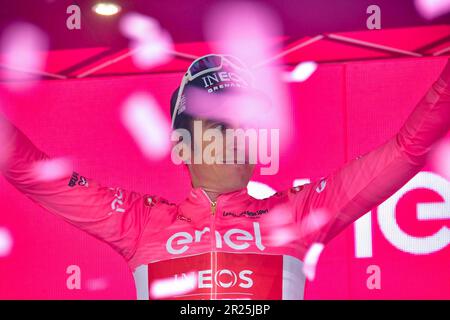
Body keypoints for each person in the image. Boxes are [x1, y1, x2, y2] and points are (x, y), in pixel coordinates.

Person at [0, 54, 449, 300]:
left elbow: (407, 149)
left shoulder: (298, 213)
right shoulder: (139, 223)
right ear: (181, 147)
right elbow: (28, 171)